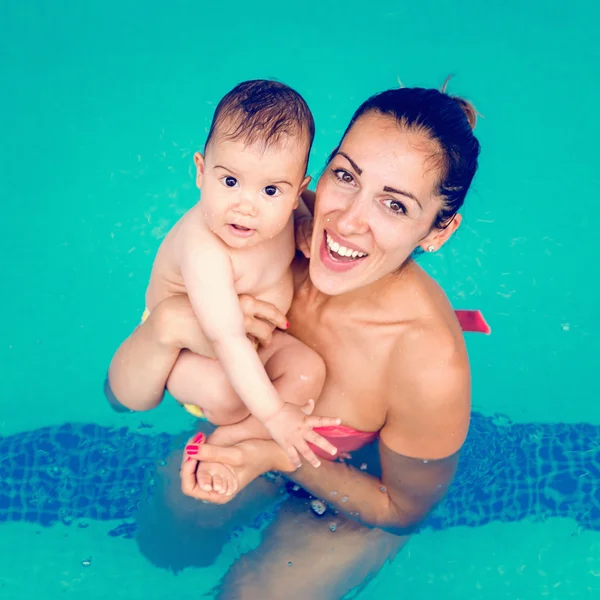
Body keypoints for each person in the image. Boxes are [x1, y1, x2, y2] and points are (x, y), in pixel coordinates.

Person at [108, 81, 482, 599]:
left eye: (394, 206)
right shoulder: (266, 225)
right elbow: (121, 393)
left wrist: (277, 456)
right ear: (317, 173)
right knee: (169, 531)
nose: (348, 223)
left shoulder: (427, 361)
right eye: (346, 176)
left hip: (358, 490)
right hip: (255, 433)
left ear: (437, 232)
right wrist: (169, 321)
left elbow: (401, 510)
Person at [108, 80, 342, 494]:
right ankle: (242, 424)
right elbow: (227, 337)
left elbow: (299, 208)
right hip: (191, 346)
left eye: (271, 190)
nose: (246, 205)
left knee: (308, 372)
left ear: (296, 193)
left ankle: (226, 444)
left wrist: (305, 223)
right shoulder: (205, 247)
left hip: (250, 338)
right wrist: (275, 416)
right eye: (230, 181)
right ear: (201, 171)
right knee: (229, 392)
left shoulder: (287, 213)